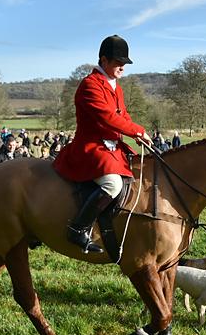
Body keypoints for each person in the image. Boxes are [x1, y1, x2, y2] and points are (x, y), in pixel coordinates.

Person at [51, 35, 155, 254]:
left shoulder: (116, 87)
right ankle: (78, 229)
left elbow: (123, 116)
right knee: (113, 185)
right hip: (91, 148)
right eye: (118, 62)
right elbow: (107, 117)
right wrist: (137, 130)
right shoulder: (90, 85)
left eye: (124, 63)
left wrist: (137, 134)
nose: (122, 67)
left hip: (112, 147)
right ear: (104, 60)